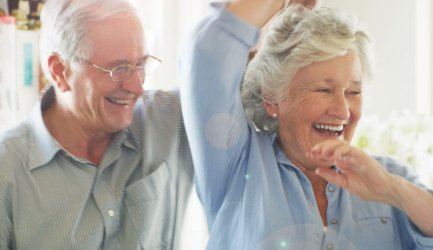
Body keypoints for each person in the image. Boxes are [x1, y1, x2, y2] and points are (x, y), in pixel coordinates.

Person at [179, 0, 433, 249]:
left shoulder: (389, 177)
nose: (343, 111)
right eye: (324, 90)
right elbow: (207, 55)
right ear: (272, 98)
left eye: (354, 92)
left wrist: (392, 190)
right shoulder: (237, 167)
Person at [0, 0, 193, 249]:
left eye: (141, 65)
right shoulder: (7, 170)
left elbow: (231, 64)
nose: (137, 87)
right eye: (119, 69)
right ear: (60, 71)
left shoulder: (166, 119)